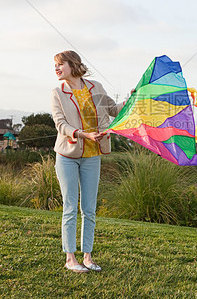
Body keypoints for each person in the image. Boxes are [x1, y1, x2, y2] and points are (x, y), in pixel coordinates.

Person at [51, 50, 124, 273]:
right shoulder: (57, 93)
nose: (56, 69)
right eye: (55, 65)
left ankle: (89, 257)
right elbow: (61, 124)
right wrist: (84, 135)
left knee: (89, 209)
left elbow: (114, 110)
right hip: (67, 156)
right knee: (70, 207)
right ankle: (70, 258)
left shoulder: (96, 87)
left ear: (73, 65)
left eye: (59, 64)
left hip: (92, 156)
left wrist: (132, 98)